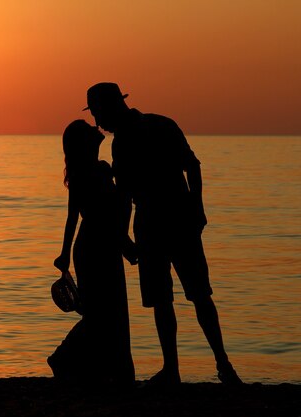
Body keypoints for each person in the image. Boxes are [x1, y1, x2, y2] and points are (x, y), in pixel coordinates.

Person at [84, 82, 242, 385]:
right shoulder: (158, 125)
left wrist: (196, 207)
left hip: (166, 220)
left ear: (109, 108)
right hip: (165, 220)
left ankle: (207, 366)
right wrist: (125, 238)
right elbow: (182, 171)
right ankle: (195, 367)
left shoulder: (151, 129)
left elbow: (186, 169)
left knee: (188, 296)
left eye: (98, 115)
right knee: (178, 297)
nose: (97, 123)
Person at [48, 119, 135, 385]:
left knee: (106, 311)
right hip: (96, 246)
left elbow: (78, 217)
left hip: (98, 244)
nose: (94, 129)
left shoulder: (91, 171)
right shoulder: (92, 172)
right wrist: (63, 254)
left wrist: (65, 254)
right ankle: (64, 358)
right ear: (83, 144)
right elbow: (83, 216)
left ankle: (105, 370)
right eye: (88, 129)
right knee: (103, 313)